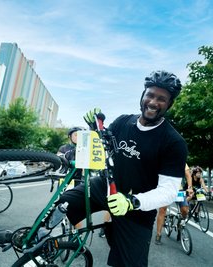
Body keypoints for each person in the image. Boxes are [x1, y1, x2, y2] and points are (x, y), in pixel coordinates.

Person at [58, 70, 188, 267]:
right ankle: (50, 240)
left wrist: (132, 202)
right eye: (150, 95)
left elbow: (169, 191)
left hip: (137, 210)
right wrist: (95, 129)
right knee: (63, 202)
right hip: (105, 187)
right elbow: (105, 146)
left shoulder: (173, 142)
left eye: (161, 99)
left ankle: (111, 224)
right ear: (142, 96)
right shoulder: (123, 121)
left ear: (169, 104)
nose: (153, 102)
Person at [154, 164, 193, 245]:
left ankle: (180, 225)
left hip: (178, 190)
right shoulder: (161, 160)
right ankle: (158, 235)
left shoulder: (180, 159)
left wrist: (190, 188)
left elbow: (188, 175)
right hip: (165, 190)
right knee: (162, 210)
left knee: (185, 210)